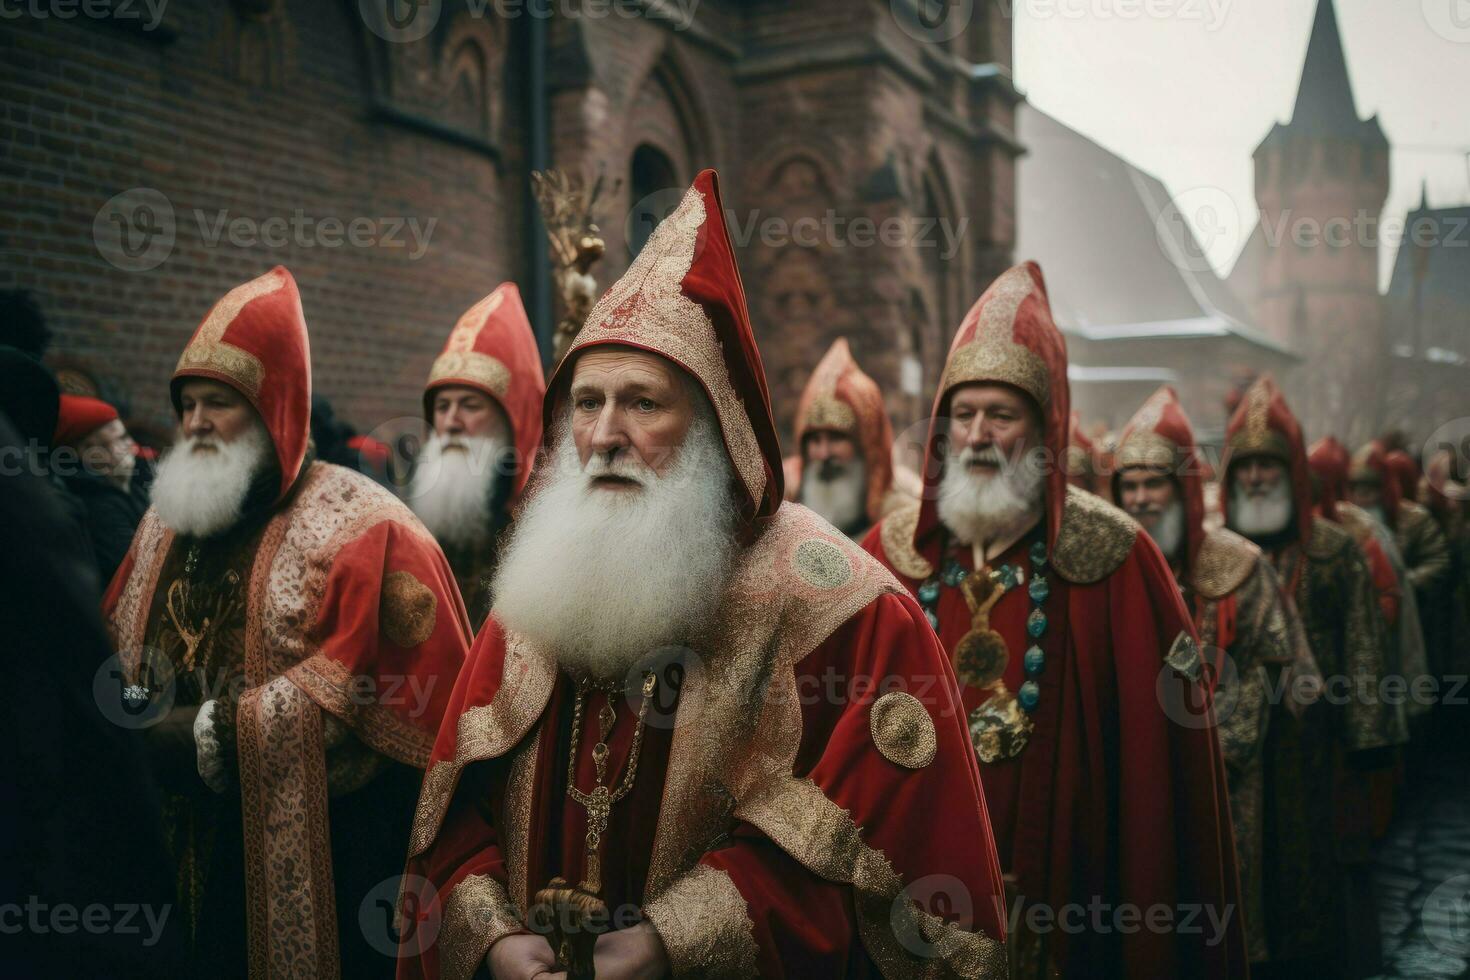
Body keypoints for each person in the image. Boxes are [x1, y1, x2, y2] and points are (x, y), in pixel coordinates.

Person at [398, 172, 1008, 980]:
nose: (605, 435)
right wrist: (492, 937)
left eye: (643, 403)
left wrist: (674, 939)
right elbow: (454, 814)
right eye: (586, 403)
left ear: (715, 426)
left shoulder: (844, 610)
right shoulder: (539, 583)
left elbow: (879, 862)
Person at [862, 262, 1244, 978]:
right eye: (963, 414)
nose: (977, 434)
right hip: (909, 910)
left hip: (1068, 908)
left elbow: (1162, 787)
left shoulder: (1118, 559)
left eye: (1001, 415)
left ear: (1045, 429)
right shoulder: (888, 556)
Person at [103, 266, 469, 978]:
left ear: (276, 409)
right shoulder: (159, 524)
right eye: (187, 405)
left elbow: (366, 698)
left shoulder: (368, 530)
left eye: (220, 403)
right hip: (164, 854)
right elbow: (111, 641)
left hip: (313, 862)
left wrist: (204, 736)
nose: (197, 423)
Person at [1111, 385, 1307, 967]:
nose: (1142, 498)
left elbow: (1271, 671)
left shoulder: (1238, 564)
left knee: (1220, 909)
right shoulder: (1103, 568)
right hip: (1130, 774)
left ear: (1184, 489)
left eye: (1156, 483)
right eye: (1130, 485)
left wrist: (1210, 749)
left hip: (1225, 775)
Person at [1221, 377, 1396, 979]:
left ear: (1291, 471)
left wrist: (1366, 738)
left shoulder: (1333, 551)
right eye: (1245, 467)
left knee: (1314, 878)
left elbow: (1365, 645)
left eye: (1269, 465)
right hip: (1238, 749)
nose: (1257, 478)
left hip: (1313, 749)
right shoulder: (1217, 555)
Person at [409, 283, 545, 628]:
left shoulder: (540, 530)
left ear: (513, 422)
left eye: (470, 406)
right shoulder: (412, 523)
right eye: (442, 407)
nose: (451, 422)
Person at [781, 337, 901, 538]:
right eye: (815, 440)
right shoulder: (782, 500)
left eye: (836, 439)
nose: (824, 454)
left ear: (866, 445)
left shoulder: (898, 520)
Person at [53, 393, 152, 582]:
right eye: (103, 446)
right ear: (80, 455)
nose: (124, 448)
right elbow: (140, 569)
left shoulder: (131, 484)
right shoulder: (96, 503)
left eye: (123, 437)